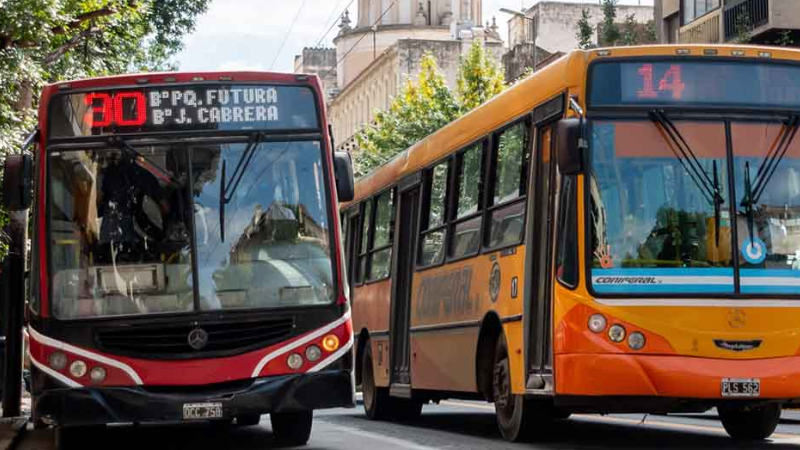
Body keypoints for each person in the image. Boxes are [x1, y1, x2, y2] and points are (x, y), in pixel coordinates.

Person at [96, 152, 169, 264]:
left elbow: (100, 199)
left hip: (111, 230)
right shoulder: (147, 176)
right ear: (137, 158)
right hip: (138, 234)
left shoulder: (110, 173)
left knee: (108, 264)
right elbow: (164, 206)